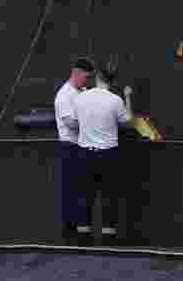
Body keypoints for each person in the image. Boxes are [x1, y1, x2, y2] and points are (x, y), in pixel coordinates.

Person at [71, 63, 134, 244]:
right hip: (108, 154)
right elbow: (128, 122)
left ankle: (82, 238)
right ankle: (108, 239)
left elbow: (74, 123)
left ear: (97, 77)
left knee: (85, 194)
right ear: (112, 80)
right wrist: (128, 97)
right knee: (109, 195)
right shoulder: (116, 100)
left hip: (84, 153)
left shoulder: (80, 98)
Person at [54, 57, 95, 242]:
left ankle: (82, 232)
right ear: (76, 73)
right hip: (69, 147)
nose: (87, 81)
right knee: (70, 191)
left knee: (83, 190)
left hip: (83, 146)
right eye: (86, 77)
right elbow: (70, 123)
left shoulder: (84, 92)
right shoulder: (64, 95)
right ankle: (68, 235)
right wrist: (93, 123)